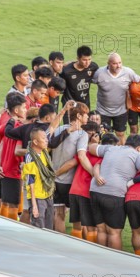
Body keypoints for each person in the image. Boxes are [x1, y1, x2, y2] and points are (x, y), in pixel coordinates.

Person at [89, 134, 140, 250]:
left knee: (101, 229)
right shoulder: (136, 155)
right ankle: (115, 264)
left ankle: (100, 260)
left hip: (95, 190)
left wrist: (94, 142)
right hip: (114, 193)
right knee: (114, 232)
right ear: (139, 148)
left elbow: (91, 148)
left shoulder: (111, 148)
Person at [49, 102, 94, 234]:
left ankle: (57, 244)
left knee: (58, 214)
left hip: (54, 179)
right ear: (79, 116)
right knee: (78, 219)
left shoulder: (60, 128)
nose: (88, 117)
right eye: (86, 115)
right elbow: (81, 156)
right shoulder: (82, 134)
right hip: (69, 182)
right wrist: (93, 173)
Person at [69, 126, 116, 244]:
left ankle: (75, 252)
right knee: (92, 228)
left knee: (76, 226)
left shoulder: (86, 152)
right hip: (86, 193)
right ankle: (91, 255)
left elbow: (72, 163)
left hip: (74, 191)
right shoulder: (104, 158)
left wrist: (56, 173)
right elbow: (97, 169)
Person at [93, 52, 140, 144]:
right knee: (103, 134)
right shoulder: (99, 73)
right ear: (108, 64)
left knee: (120, 133)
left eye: (120, 62)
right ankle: (104, 155)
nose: (118, 65)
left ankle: (121, 155)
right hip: (103, 110)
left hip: (121, 111)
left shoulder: (128, 72)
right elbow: (88, 81)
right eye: (115, 63)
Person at [0, 93, 28, 220]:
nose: (26, 110)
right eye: (24, 107)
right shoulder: (20, 127)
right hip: (13, 171)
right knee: (13, 205)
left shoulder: (8, 123)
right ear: (16, 110)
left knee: (5, 202)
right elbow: (16, 151)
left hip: (3, 169)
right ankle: (9, 233)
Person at [22, 128, 55, 229]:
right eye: (43, 138)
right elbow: (30, 182)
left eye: (46, 138)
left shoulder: (44, 152)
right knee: (39, 227)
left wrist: (62, 113)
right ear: (35, 142)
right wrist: (34, 206)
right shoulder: (30, 157)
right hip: (37, 197)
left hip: (48, 195)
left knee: (49, 227)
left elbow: (51, 128)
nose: (46, 140)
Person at [60, 45, 99, 113]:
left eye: (89, 59)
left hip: (85, 106)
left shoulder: (93, 67)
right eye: (84, 60)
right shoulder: (67, 70)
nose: (87, 62)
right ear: (77, 58)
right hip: (70, 107)